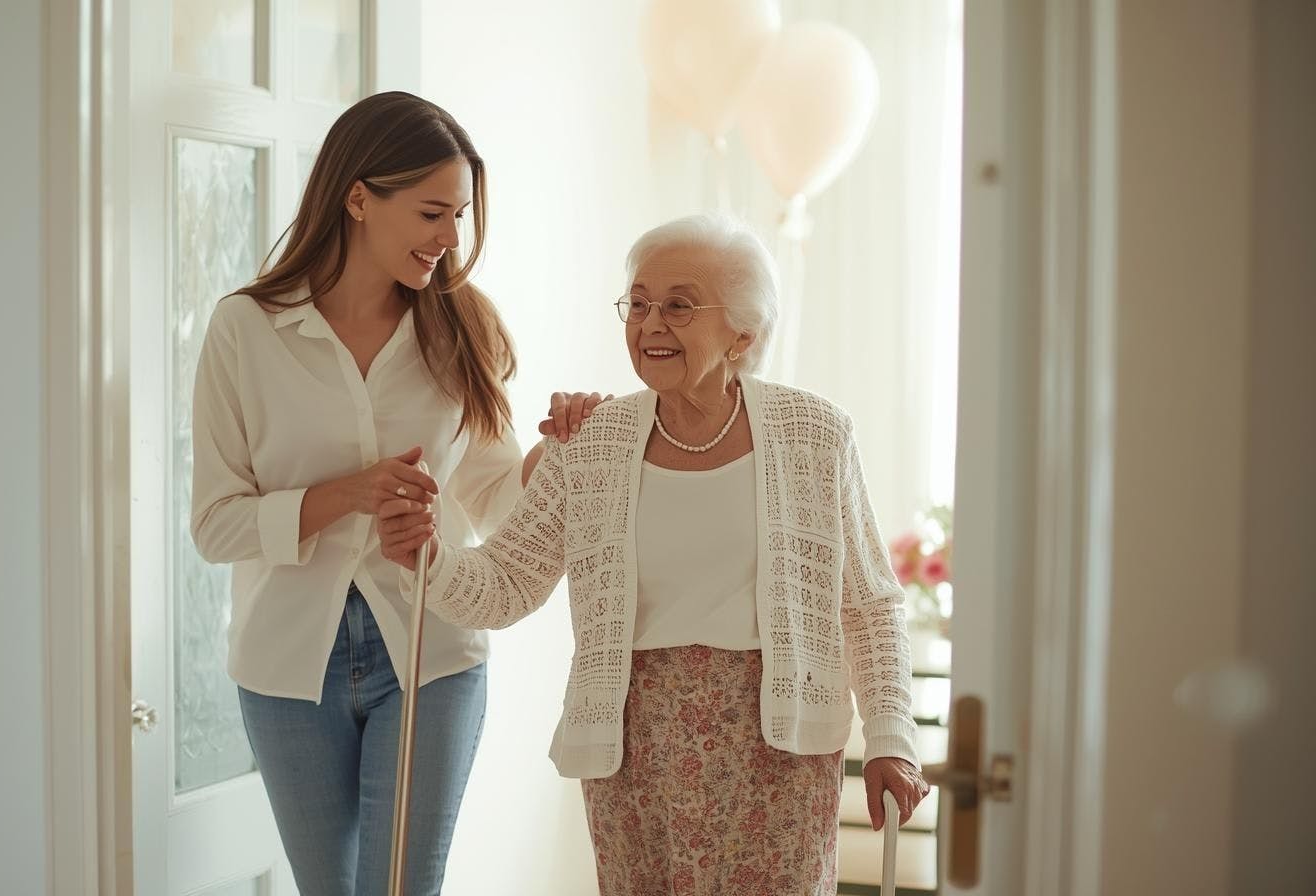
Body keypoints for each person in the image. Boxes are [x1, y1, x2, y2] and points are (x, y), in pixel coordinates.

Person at [378, 213, 930, 895]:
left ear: (743, 334)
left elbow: (869, 604)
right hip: (634, 750)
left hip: (780, 753)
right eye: (637, 304)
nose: (650, 323)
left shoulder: (814, 434)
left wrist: (892, 738)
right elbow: (506, 583)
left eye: (678, 305)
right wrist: (427, 552)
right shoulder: (590, 442)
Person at [189, 90, 597, 895]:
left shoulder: (461, 325)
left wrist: (564, 456)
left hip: (431, 651)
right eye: (432, 214)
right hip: (285, 664)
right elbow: (215, 526)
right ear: (358, 199)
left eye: (461, 216)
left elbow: (495, 498)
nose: (451, 240)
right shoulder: (245, 329)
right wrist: (348, 493)